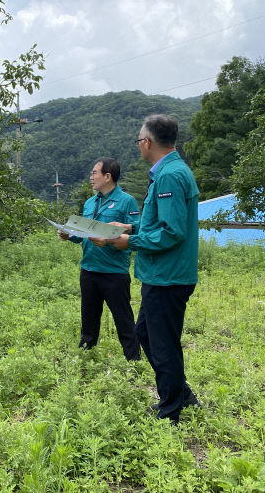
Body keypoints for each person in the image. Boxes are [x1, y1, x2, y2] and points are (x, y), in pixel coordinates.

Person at [111, 114, 201, 424]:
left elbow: (171, 231)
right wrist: (129, 225)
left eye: (139, 140)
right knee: (146, 334)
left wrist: (130, 240)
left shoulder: (169, 176)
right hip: (161, 274)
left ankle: (171, 410)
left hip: (168, 276)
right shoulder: (170, 171)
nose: (139, 146)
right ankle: (181, 393)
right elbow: (159, 221)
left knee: (161, 342)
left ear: (147, 142)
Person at [59, 157, 141, 360]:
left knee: (123, 319)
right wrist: (69, 234)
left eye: (94, 173)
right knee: (88, 320)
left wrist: (115, 235)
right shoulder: (90, 202)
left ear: (107, 176)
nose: (91, 177)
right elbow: (83, 233)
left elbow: (138, 229)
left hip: (114, 271)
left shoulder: (126, 201)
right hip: (88, 269)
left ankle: (133, 360)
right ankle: (86, 357)